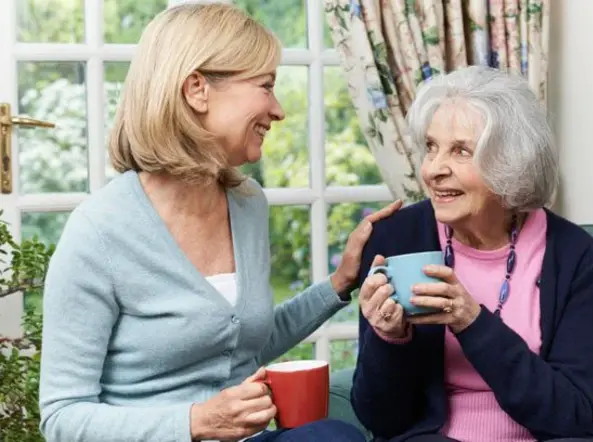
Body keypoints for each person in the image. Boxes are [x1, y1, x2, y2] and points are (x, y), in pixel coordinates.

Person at [37, 3, 401, 442]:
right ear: (197, 89)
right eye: (266, 86)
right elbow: (61, 417)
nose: (279, 109)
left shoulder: (247, 204)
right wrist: (196, 422)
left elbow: (239, 343)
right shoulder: (99, 232)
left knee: (334, 436)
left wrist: (340, 283)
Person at [351, 66, 593, 442]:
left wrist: (471, 320)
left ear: (512, 163)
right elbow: (381, 420)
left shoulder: (573, 254)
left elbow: (571, 415)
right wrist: (388, 339)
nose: (432, 170)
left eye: (460, 150)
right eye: (431, 147)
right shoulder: (395, 239)